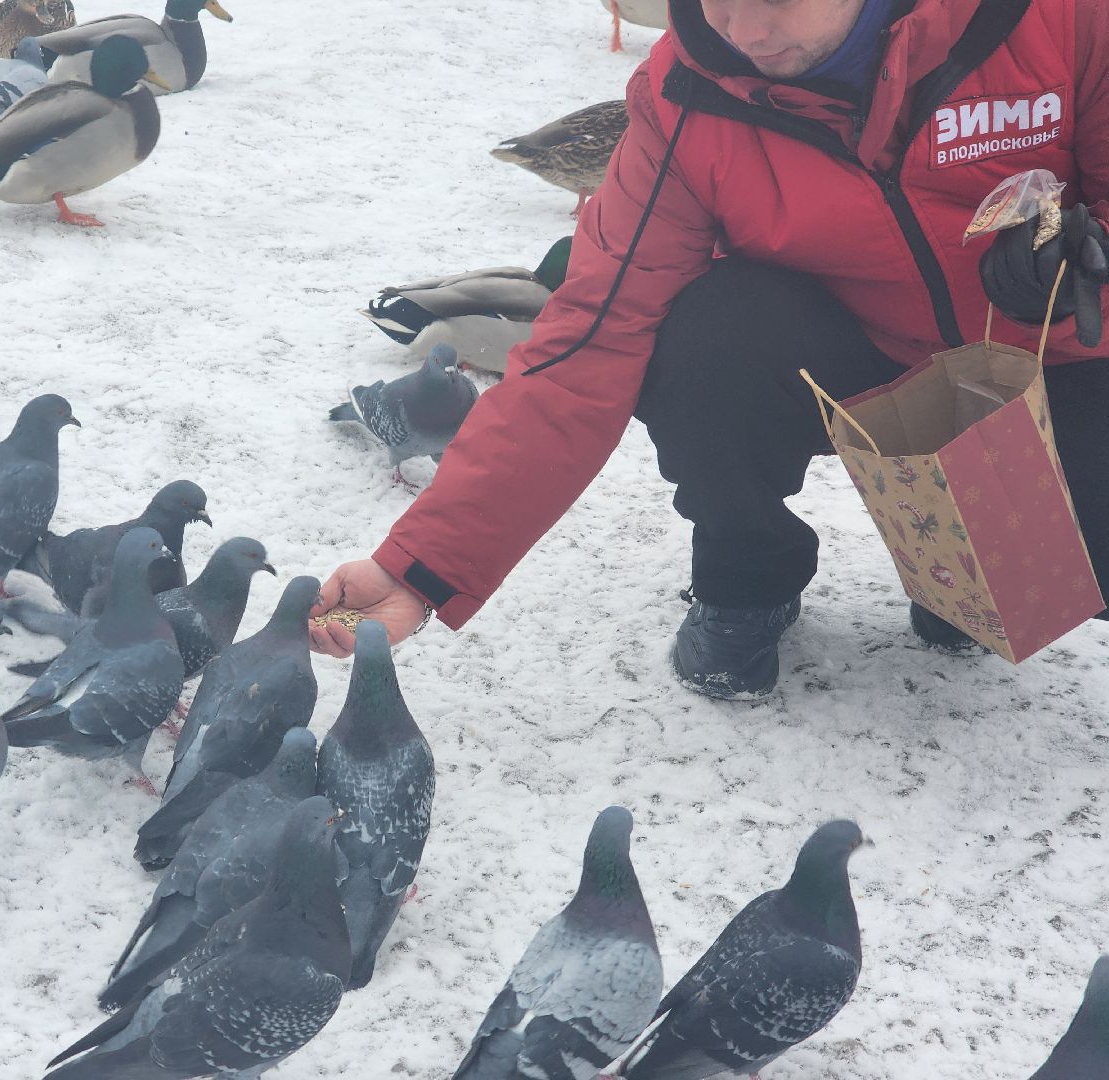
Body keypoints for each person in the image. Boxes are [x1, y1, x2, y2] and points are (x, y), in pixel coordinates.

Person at [308, 0, 1109, 699]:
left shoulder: (1062, 18)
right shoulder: (689, 93)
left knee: (1077, 570)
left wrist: (1088, 251)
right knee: (702, 332)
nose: (745, 31)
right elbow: (585, 344)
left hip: (1047, 355)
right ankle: (744, 581)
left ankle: (966, 572)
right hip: (846, 352)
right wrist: (420, 567)